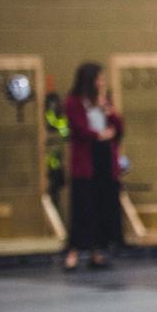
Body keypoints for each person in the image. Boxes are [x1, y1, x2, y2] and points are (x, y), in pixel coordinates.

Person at [63, 62, 124, 270]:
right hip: (86, 162)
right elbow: (78, 128)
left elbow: (118, 126)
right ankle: (73, 252)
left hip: (104, 160)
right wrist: (98, 134)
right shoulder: (74, 101)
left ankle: (97, 252)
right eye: (99, 79)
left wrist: (110, 112)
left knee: (102, 206)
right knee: (83, 208)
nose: (102, 82)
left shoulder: (104, 100)